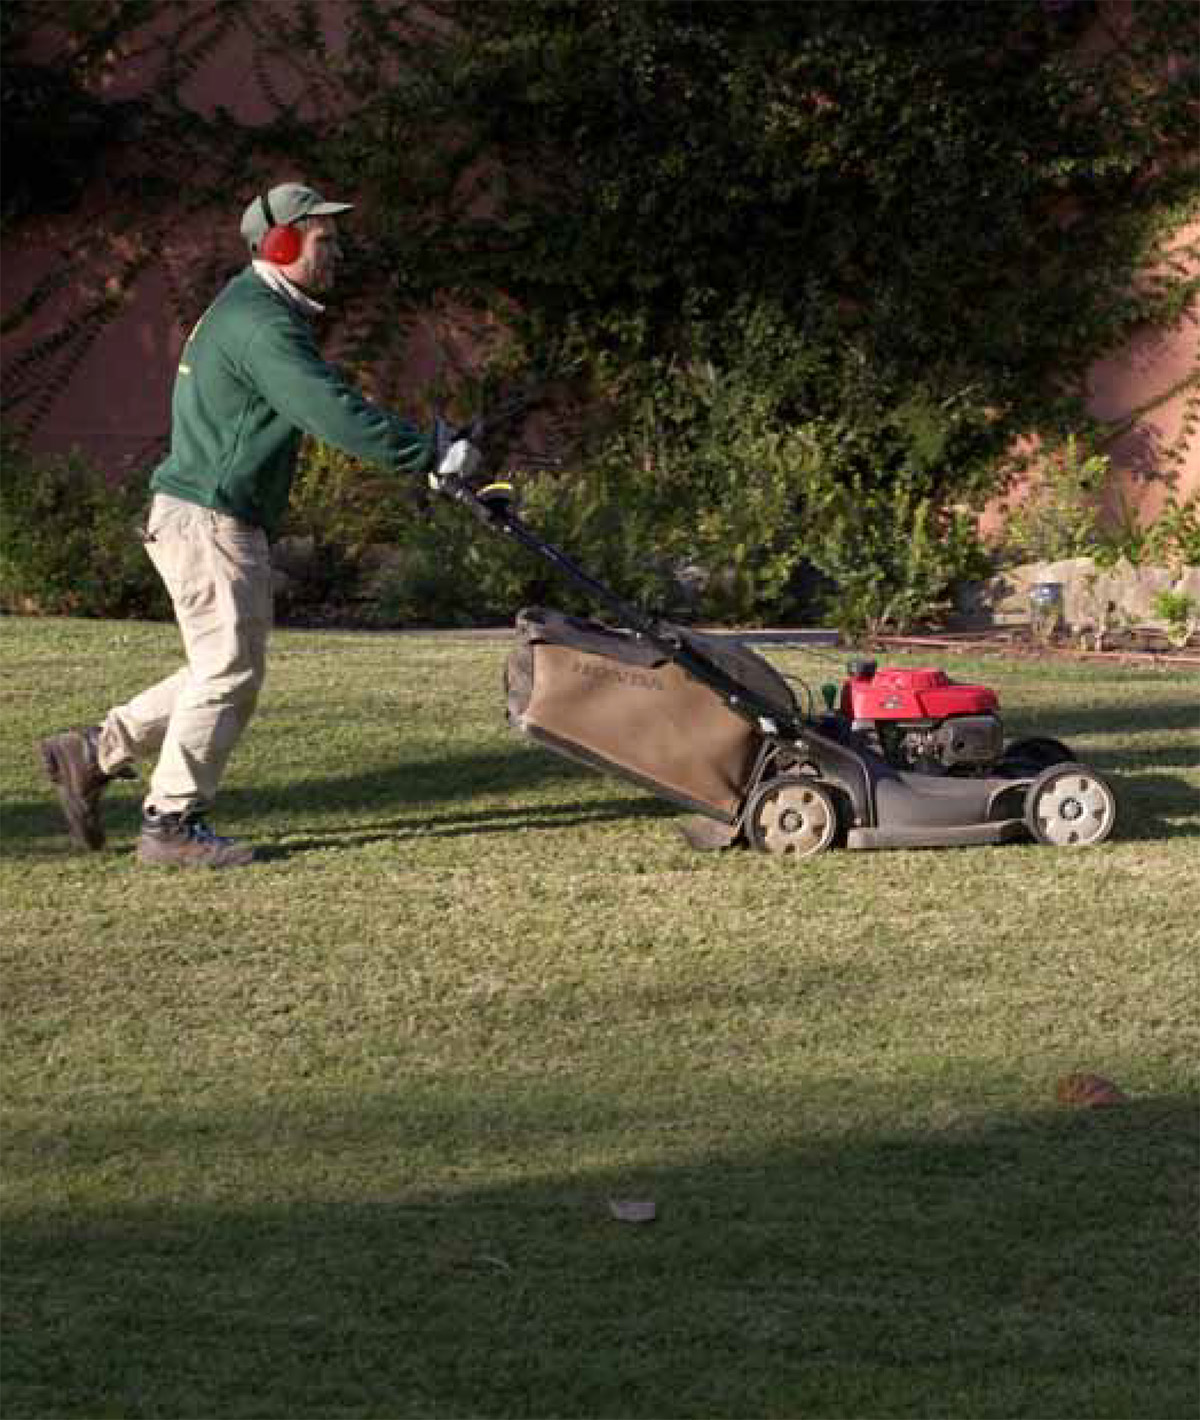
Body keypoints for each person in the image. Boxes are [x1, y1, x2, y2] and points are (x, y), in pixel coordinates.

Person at [40, 181, 478, 868]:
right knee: (228, 669)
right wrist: (429, 453)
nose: (338, 254)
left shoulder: (252, 312)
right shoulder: (261, 324)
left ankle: (95, 750)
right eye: (324, 241)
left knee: (224, 664)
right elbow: (328, 409)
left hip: (200, 516)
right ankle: (171, 823)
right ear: (278, 244)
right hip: (210, 520)